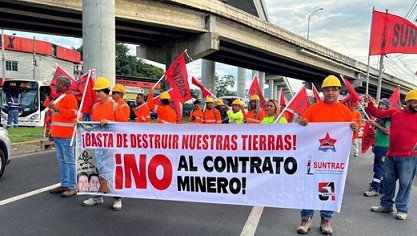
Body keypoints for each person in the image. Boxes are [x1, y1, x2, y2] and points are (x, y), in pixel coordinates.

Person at [297, 75, 358, 235]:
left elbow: (350, 137)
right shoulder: (313, 109)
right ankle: (306, 219)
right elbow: (301, 130)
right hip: (312, 158)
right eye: (327, 90)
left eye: (334, 89)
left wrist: (354, 129)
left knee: (329, 188)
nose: (330, 92)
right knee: (309, 187)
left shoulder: (346, 113)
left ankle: (326, 221)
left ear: (339, 91)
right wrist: (302, 123)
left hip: (333, 160)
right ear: (323, 91)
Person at [365, 90, 417, 220]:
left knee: (405, 183)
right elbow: (377, 113)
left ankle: (402, 209)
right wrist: (370, 104)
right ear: (408, 102)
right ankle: (386, 205)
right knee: (387, 181)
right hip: (391, 154)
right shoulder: (395, 113)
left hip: (409, 156)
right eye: (415, 102)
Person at [82, 77, 128, 210]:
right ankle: (96, 197)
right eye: (96, 91)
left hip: (112, 145)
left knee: (112, 172)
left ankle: (117, 198)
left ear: (106, 92)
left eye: (99, 91)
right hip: (97, 145)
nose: (97, 94)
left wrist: (109, 121)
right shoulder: (95, 107)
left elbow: (124, 125)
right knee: (95, 171)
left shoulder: (115, 106)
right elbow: (94, 126)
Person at [48, 76, 79, 198]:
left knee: (69, 162)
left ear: (62, 84)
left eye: (56, 84)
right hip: (58, 135)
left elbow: (73, 114)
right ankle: (65, 184)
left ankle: (72, 187)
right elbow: (56, 118)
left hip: (67, 136)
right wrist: (52, 132)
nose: (55, 86)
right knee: (62, 161)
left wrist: (58, 109)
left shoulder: (70, 98)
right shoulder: (59, 98)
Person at [364, 98, 390, 197]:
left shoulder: (388, 118)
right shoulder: (381, 118)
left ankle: (375, 188)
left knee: (379, 167)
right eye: (379, 104)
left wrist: (376, 125)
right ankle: (382, 186)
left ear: (387, 106)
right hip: (379, 146)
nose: (380, 106)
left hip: (384, 147)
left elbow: (388, 132)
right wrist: (374, 145)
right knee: (381, 167)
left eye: (383, 104)